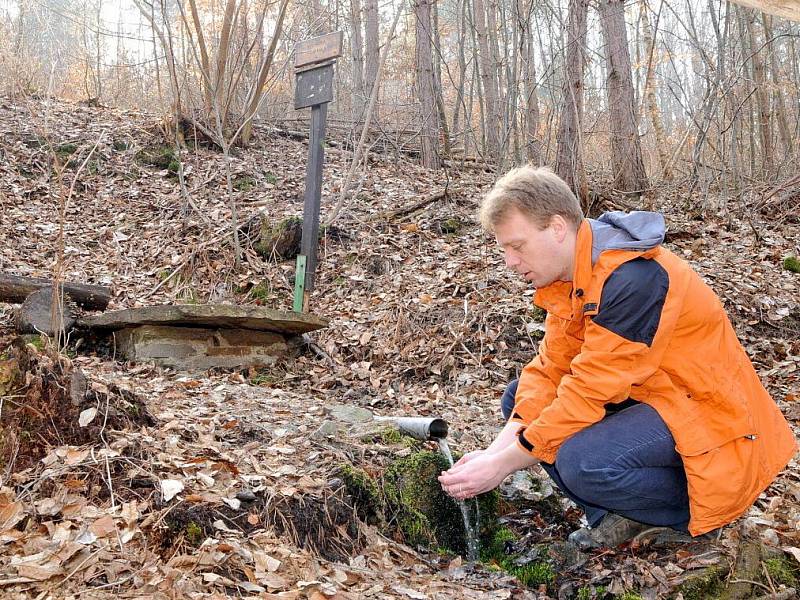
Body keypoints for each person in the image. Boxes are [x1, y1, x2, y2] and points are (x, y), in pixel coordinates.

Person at [438, 166, 797, 549]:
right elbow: (550, 371)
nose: (510, 261)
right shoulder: (572, 276)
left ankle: (697, 514)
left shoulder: (632, 278)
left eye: (517, 245)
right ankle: (618, 516)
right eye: (504, 249)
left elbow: (588, 391)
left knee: (581, 461)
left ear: (557, 227)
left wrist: (504, 465)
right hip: (651, 397)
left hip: (709, 415)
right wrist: (493, 454)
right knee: (519, 398)